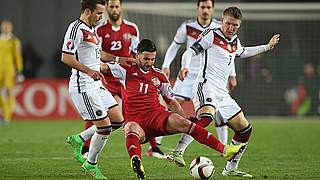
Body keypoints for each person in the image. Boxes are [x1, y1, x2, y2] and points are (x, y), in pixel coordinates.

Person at [101, 39, 246, 180]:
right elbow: (101, 67)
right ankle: (136, 160)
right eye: (146, 58)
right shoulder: (125, 69)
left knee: (186, 124)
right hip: (137, 121)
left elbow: (171, 102)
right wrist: (92, 56)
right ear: (137, 55)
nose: (149, 62)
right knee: (130, 128)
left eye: (152, 59)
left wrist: (183, 117)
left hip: (157, 116)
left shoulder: (159, 75)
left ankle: (225, 150)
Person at [178, 7, 280, 177]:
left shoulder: (235, 41)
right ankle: (178, 151)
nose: (231, 28)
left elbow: (244, 51)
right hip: (206, 85)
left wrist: (267, 47)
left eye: (235, 25)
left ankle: (230, 169)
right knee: (206, 118)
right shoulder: (212, 34)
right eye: (228, 24)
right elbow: (190, 51)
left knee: (245, 129)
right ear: (222, 21)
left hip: (222, 92)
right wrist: (185, 66)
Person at [79, 0, 164, 159]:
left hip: (127, 77)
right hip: (108, 76)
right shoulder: (100, 29)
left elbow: (136, 52)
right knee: (100, 111)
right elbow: (96, 52)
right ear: (107, 9)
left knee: (138, 112)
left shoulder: (131, 28)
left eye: (116, 6)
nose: (114, 9)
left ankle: (154, 148)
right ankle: (85, 147)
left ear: (121, 8)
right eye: (111, 6)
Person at [162, 0, 235, 166]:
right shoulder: (187, 27)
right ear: (198, 9)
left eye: (209, 7)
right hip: (189, 75)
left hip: (213, 77)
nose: (205, 10)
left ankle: (223, 148)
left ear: (213, 9)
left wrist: (232, 74)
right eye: (203, 7)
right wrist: (167, 65)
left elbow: (230, 53)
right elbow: (176, 47)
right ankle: (158, 144)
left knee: (217, 113)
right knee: (174, 105)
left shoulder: (220, 27)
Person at [61, 0, 121, 179]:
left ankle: (79, 139)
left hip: (96, 84)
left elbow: (97, 54)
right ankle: (91, 164)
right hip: (83, 86)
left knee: (118, 120)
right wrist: (88, 71)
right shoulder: (76, 28)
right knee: (104, 128)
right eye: (99, 13)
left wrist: (119, 60)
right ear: (87, 11)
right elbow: (66, 57)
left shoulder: (92, 29)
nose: (101, 17)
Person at [0, 20, 24, 124]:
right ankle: (5, 112)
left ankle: (7, 116)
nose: (5, 28)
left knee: (9, 91)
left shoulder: (14, 41)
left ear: (11, 28)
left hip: (9, 70)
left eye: (7, 27)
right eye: (4, 26)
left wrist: (19, 71)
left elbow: (17, 56)